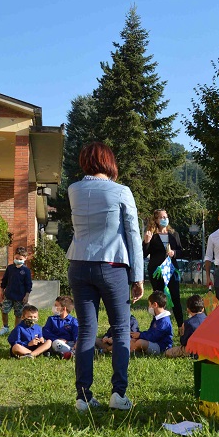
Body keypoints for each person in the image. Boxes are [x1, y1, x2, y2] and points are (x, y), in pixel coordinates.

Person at [66, 142, 144, 412]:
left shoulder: (73, 189)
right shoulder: (121, 191)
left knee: (87, 330)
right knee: (121, 329)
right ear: (109, 162)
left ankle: (83, 397)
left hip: (78, 263)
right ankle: (118, 394)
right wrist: (138, 276)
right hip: (112, 264)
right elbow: (133, 234)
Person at [143, 209, 184, 329]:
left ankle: (181, 327)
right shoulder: (152, 235)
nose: (164, 219)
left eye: (166, 217)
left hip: (171, 271)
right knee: (158, 299)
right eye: (161, 217)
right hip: (157, 272)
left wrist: (174, 253)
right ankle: (158, 327)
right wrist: (146, 242)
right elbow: (144, 254)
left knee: (175, 298)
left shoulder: (174, 234)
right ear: (156, 220)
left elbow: (181, 251)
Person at [0, 246, 32, 336]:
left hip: (20, 296)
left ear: (25, 258)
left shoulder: (26, 271)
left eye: (20, 259)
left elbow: (28, 284)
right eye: (16, 258)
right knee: (4, 310)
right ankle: (5, 327)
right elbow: (4, 280)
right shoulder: (10, 268)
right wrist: (2, 290)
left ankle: (16, 330)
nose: (18, 260)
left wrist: (27, 295)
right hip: (9, 295)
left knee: (18, 314)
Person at [165, 294, 206, 358]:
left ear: (188, 310)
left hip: (193, 351)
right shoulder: (209, 320)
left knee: (168, 352)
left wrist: (182, 332)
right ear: (203, 309)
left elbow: (184, 342)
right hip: (207, 349)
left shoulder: (188, 323)